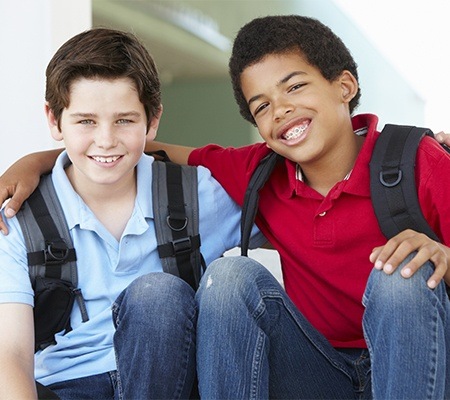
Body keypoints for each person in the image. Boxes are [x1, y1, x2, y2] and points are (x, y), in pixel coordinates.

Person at [1, 15, 450, 400]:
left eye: (295, 86)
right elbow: (131, 149)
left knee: (403, 273)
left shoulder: (416, 161)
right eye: (262, 106)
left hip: (414, 357)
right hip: (316, 369)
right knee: (230, 276)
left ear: (345, 85)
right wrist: (39, 160)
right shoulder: (258, 174)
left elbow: (132, 144)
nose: (283, 110)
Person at [0, 28, 264, 399]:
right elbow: (9, 355)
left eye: (124, 120)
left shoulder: (198, 194)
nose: (106, 140)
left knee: (158, 294)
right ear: (54, 120)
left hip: (173, 381)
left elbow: (299, 215)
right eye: (86, 121)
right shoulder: (17, 216)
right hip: (68, 387)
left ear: (152, 120)